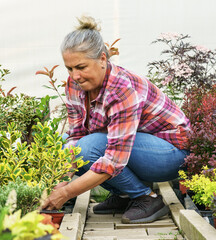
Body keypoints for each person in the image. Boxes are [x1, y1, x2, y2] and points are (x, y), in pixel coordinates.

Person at [41, 16, 191, 224]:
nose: (75, 75)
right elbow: (76, 136)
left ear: (103, 59)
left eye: (81, 67)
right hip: (138, 147)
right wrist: (59, 184)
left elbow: (113, 159)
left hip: (171, 154)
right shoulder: (75, 85)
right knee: (66, 143)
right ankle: (124, 196)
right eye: (70, 68)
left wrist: (66, 193)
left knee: (89, 148)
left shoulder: (121, 89)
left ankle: (147, 199)